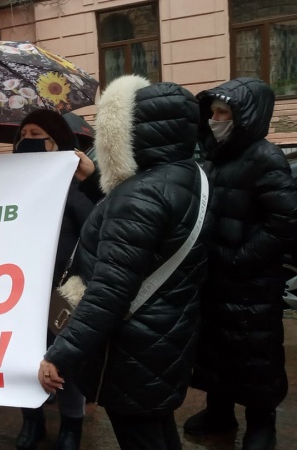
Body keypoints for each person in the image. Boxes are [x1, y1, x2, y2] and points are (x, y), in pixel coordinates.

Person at [38, 75, 209, 450]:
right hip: (166, 335)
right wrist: (94, 182)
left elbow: (109, 292)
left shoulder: (139, 195)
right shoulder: (190, 176)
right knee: (157, 427)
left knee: (141, 435)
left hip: (130, 349)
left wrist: (60, 353)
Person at [184, 78, 297, 450]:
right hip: (215, 278)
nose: (215, 120)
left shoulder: (266, 157)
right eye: (213, 112)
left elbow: (286, 221)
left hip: (252, 284)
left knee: (256, 356)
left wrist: (240, 259)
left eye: (224, 113)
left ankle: (262, 423)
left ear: (247, 117)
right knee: (217, 350)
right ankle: (220, 411)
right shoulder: (213, 156)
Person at [12, 109, 93, 450]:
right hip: (21, 292)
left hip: (63, 293)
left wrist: (88, 182)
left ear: (57, 142)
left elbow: (97, 227)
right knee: (23, 357)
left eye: (36, 135)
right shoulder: (10, 184)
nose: (27, 141)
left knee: (65, 363)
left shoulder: (76, 186)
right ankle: (31, 420)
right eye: (23, 135)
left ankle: (71, 426)